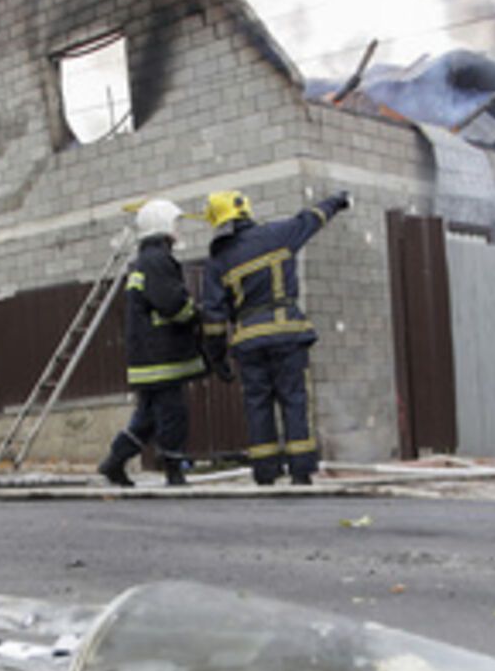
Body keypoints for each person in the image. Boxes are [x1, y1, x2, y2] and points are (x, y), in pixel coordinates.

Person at [200, 188, 351, 486]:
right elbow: (313, 217)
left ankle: (266, 473)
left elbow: (214, 319)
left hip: (249, 343)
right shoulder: (279, 234)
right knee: (294, 400)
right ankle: (301, 472)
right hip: (287, 336)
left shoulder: (218, 262)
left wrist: (216, 359)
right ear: (245, 210)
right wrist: (338, 200)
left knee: (257, 405)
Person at [97, 199, 207, 488]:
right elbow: (172, 304)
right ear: (163, 224)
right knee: (173, 413)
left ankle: (115, 462)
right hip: (162, 355)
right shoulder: (158, 260)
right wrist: (196, 314)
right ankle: (174, 469)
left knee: (147, 417)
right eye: (175, 223)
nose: (178, 229)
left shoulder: (144, 260)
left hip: (147, 354)